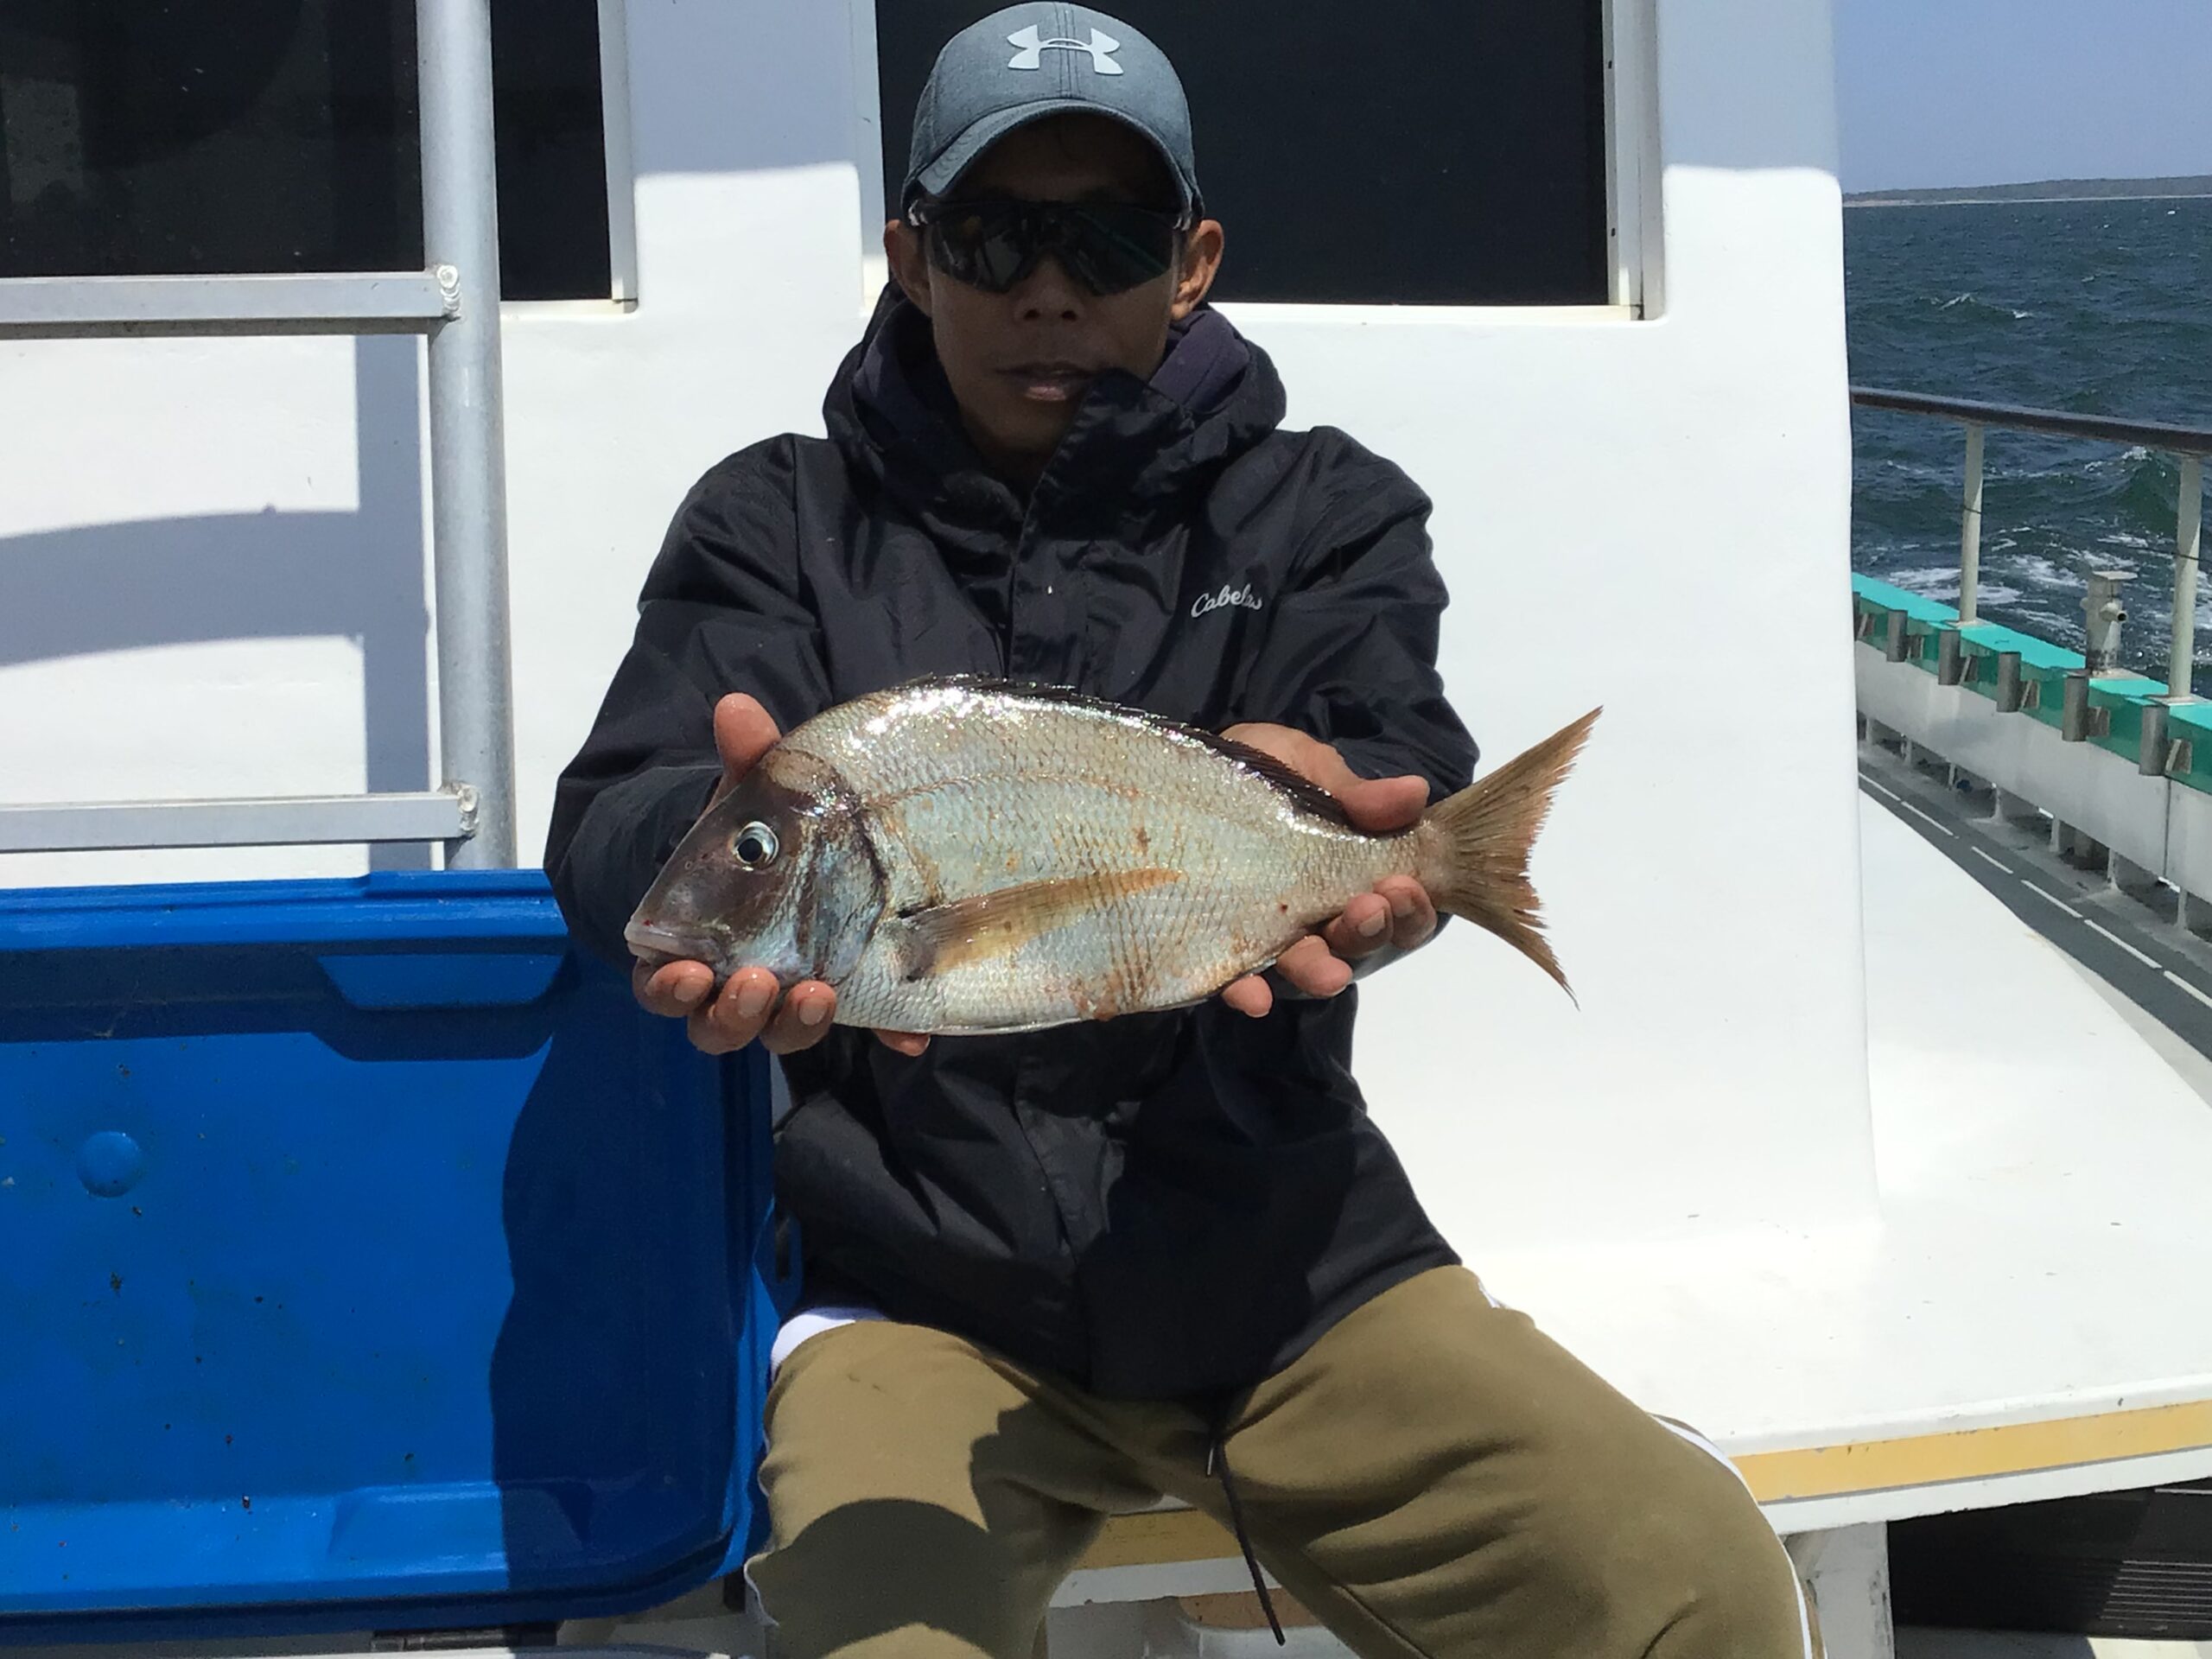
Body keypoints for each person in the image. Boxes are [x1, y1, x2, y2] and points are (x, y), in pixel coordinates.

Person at [545, 7, 1816, 1656]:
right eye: (996, 234)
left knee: (1692, 1581)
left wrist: (1376, 845)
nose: (1049, 287)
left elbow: (1390, 749)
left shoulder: (1322, 508)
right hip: (920, 1286)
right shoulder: (776, 519)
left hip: (1287, 1264)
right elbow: (614, 822)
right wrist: (703, 842)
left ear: (1194, 259)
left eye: (1110, 237)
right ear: (911, 256)